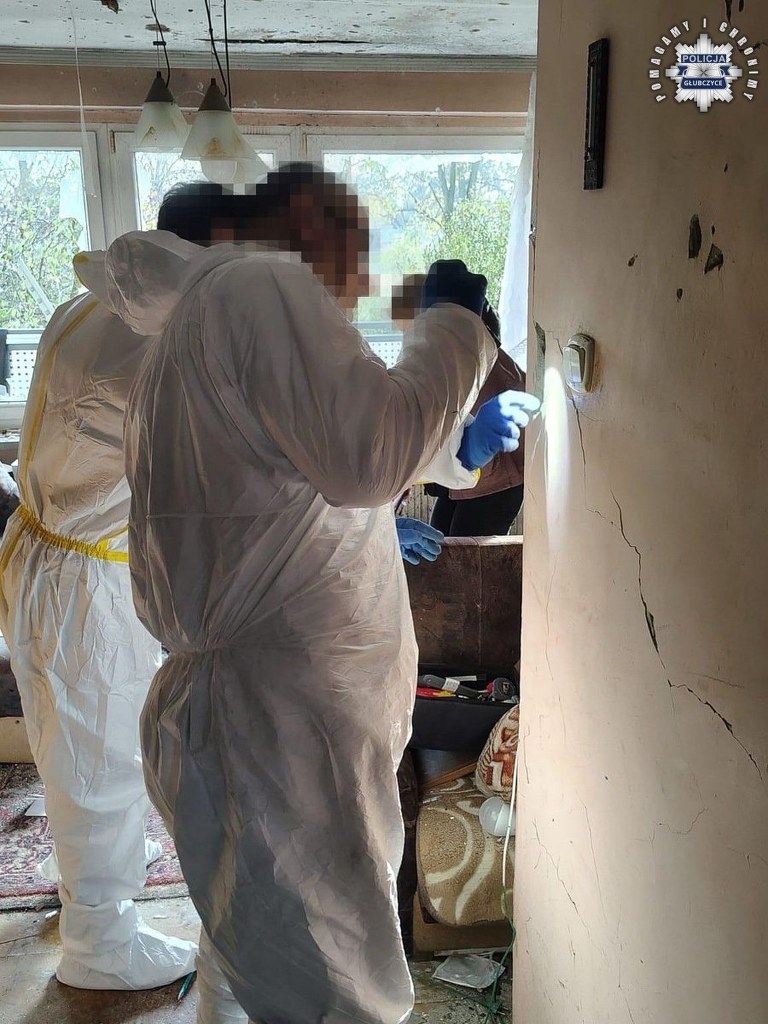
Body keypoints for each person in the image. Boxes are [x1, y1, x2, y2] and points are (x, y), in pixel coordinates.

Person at [116, 162, 540, 1024]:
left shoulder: (192, 327)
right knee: (335, 982)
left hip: (248, 712)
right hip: (280, 726)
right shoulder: (254, 286)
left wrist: (455, 452)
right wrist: (453, 324)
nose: (353, 275)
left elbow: (305, 467)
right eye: (342, 244)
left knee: (255, 949)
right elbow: (366, 456)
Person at [0, 182, 251, 991]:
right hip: (83, 579)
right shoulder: (156, 351)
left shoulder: (90, 307)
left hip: (46, 549)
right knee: (97, 757)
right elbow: (211, 481)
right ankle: (98, 946)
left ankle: (88, 877)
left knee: (72, 739)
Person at [393, 274, 528, 536]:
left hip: (495, 479)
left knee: (466, 551)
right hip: (467, 473)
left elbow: (440, 422)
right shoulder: (445, 352)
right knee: (444, 544)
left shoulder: (470, 356)